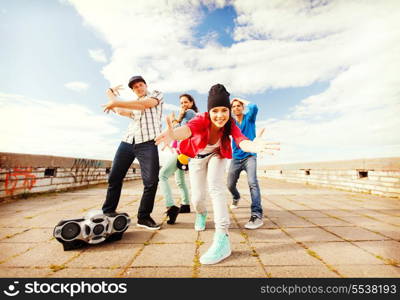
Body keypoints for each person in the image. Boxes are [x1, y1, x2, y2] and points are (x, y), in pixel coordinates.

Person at [155, 84, 279, 264]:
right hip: (197, 156)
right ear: (209, 111)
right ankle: (202, 213)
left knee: (216, 187)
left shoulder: (230, 123)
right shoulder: (200, 119)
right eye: (215, 110)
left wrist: (252, 146)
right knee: (197, 198)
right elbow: (186, 130)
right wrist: (173, 134)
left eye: (224, 110)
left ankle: (222, 238)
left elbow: (241, 140)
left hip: (217, 154)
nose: (220, 115)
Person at [101, 75, 163, 230]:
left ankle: (143, 217)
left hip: (147, 143)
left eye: (141, 84)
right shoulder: (133, 106)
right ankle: (108, 212)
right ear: (133, 90)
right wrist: (110, 93)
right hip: (128, 142)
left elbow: (144, 105)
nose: (139, 88)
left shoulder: (156, 94)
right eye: (135, 87)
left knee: (151, 181)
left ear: (146, 85)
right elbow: (121, 111)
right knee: (115, 177)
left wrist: (115, 101)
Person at [159, 94, 198, 224]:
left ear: (192, 103)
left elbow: (182, 131)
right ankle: (185, 205)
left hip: (184, 151)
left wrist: (176, 121)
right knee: (180, 180)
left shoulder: (190, 112)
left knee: (163, 175)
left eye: (186, 102)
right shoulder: (186, 114)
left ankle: (170, 206)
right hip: (182, 151)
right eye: (181, 103)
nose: (183, 105)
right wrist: (176, 120)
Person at [228, 98, 265, 229]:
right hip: (236, 158)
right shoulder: (231, 122)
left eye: (238, 106)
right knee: (230, 184)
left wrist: (239, 99)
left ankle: (257, 214)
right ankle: (236, 197)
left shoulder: (249, 118)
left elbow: (254, 106)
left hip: (250, 156)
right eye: (233, 106)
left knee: (252, 183)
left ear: (242, 107)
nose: (236, 108)